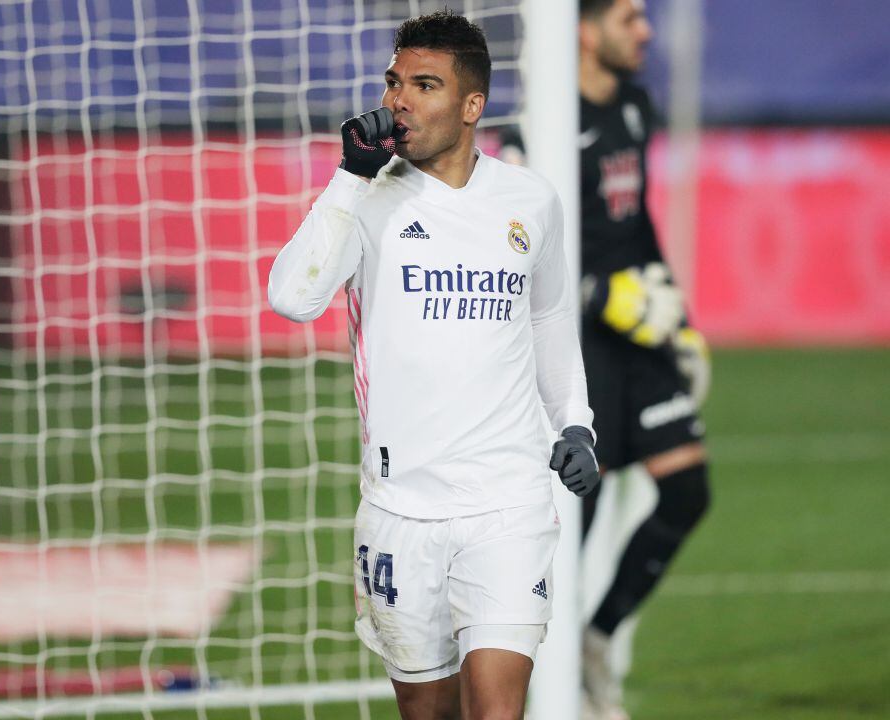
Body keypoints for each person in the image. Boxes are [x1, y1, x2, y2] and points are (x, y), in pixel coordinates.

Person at [268, 10, 601, 719]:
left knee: (497, 710)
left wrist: (574, 422)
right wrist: (348, 178)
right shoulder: (368, 199)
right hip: (400, 511)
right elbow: (293, 298)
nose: (400, 101)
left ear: (471, 105)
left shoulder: (529, 201)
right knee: (427, 712)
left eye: (424, 85)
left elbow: (547, 319)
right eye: (394, 83)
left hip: (507, 502)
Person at [576, 1, 712, 717]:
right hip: (580, 341)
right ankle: (542, 671)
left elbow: (639, 219)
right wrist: (602, 299)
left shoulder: (633, 103)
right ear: (584, 27)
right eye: (630, 16)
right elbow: (525, 251)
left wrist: (676, 319)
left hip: (641, 333)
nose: (646, 30)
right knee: (580, 516)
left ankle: (595, 642)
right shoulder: (539, 127)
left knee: (688, 490)